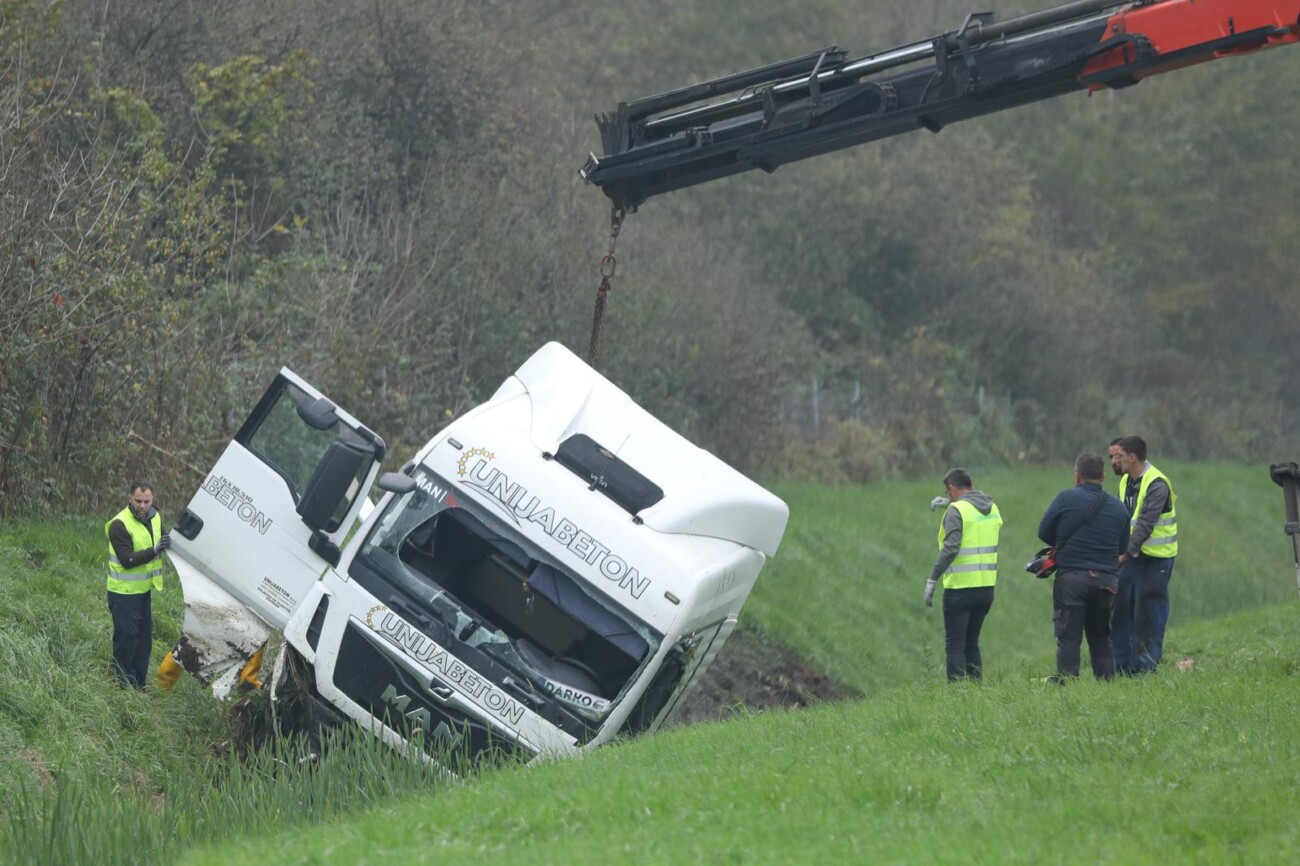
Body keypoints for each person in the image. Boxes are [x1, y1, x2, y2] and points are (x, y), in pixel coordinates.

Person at [1036, 453, 1130, 681]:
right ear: (1104, 476)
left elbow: (1044, 532)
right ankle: (1107, 687)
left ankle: (1067, 688)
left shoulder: (1065, 499)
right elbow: (1122, 547)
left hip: (1072, 579)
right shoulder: (1118, 508)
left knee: (1069, 638)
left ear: (1077, 476)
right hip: (1106, 581)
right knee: (1101, 638)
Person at [924, 469, 1002, 681]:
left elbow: (951, 548)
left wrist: (932, 579)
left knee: (955, 646)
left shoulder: (956, 510)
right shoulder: (992, 507)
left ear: (951, 488)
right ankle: (976, 691)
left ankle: (957, 697)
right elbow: (973, 519)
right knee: (972, 643)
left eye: (948, 492)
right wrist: (950, 505)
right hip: (986, 588)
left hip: (960, 589)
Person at [1112, 435, 1178, 674]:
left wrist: (1123, 554)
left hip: (1155, 559)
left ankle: (1145, 669)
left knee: (1148, 614)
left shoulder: (1157, 484)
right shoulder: (1126, 482)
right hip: (1133, 557)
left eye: (1119, 456)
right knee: (1121, 609)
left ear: (1132, 457)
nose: (1115, 461)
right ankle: (1120, 667)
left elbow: (1145, 524)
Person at [105, 481, 170, 688]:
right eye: (138, 501)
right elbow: (126, 559)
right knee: (126, 639)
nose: (142, 506)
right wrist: (154, 550)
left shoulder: (155, 517)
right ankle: (122, 685)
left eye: (147, 502)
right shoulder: (119, 524)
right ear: (129, 498)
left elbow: (165, 539)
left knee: (143, 640)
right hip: (122, 593)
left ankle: (139, 685)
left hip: (143, 592)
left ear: (153, 500)